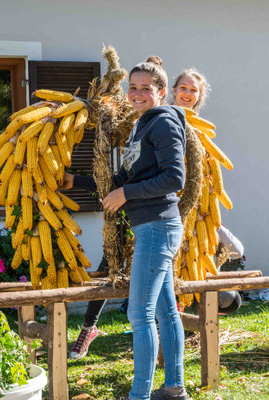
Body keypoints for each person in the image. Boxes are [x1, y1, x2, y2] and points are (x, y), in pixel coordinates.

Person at [62, 56, 188, 400]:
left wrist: (126, 193)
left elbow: (175, 177)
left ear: (161, 92)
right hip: (151, 225)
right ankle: (174, 388)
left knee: (140, 313)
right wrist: (83, 181)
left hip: (157, 225)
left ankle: (139, 395)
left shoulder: (162, 123)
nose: (137, 94)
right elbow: (125, 178)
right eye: (132, 87)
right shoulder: (141, 125)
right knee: (163, 310)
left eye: (146, 88)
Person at [172, 68, 243, 315]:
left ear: (200, 96)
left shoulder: (200, 131)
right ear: (173, 90)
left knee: (195, 259)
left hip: (199, 210)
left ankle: (190, 314)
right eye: (183, 88)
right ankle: (173, 316)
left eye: (194, 90)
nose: (188, 94)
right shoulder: (165, 120)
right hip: (173, 205)